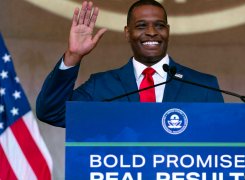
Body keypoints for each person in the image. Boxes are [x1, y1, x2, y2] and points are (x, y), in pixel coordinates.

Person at [36, 0, 224, 128]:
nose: (151, 32)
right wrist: (73, 56)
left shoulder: (203, 87)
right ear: (127, 33)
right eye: (141, 26)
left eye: (159, 25)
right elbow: (51, 112)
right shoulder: (101, 86)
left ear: (167, 31)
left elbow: (220, 143)